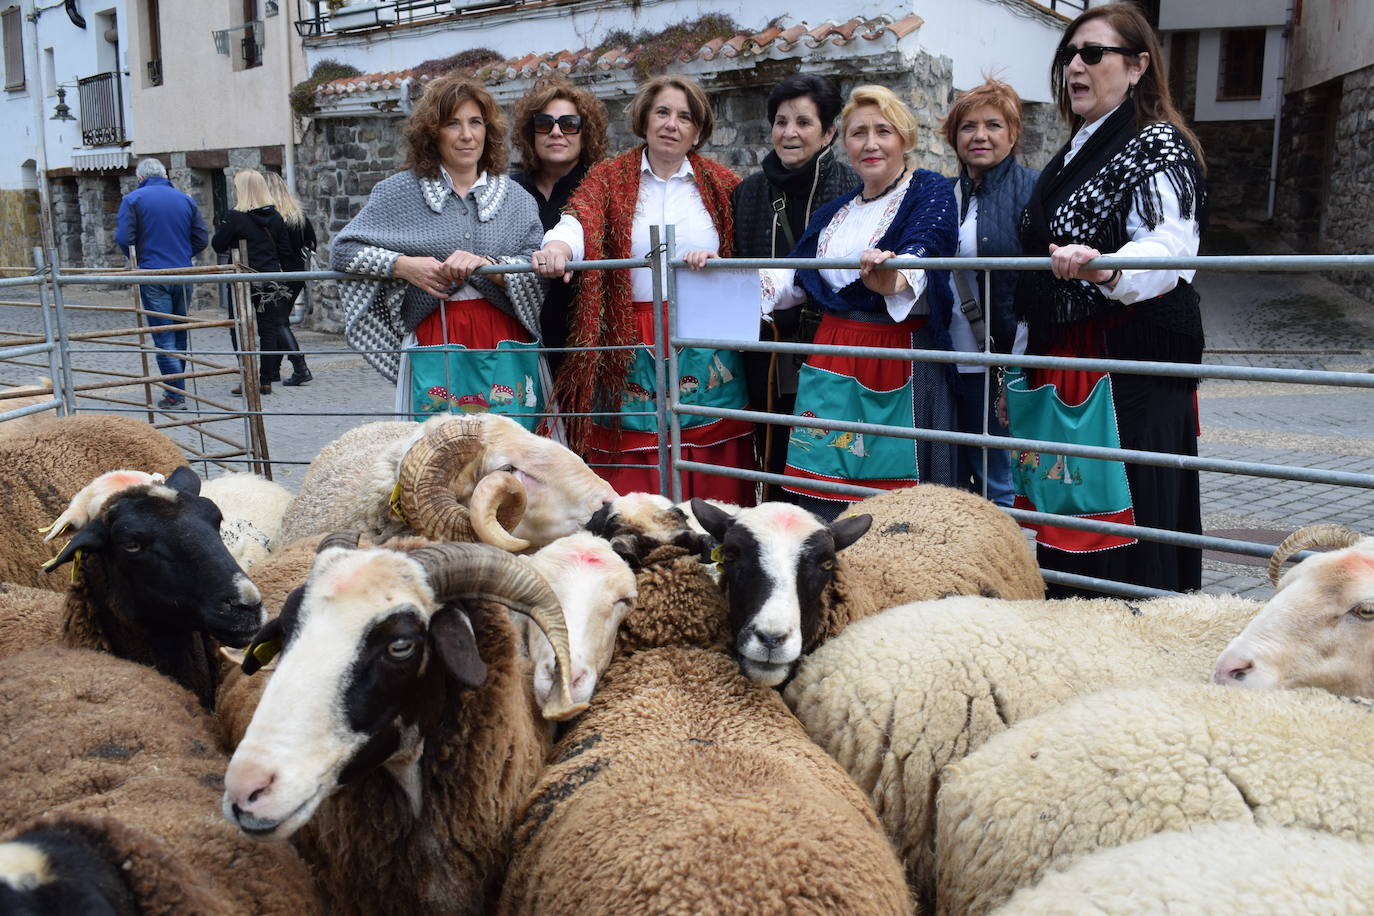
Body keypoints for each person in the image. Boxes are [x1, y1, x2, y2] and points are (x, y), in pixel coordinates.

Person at [1010, 1, 1207, 595]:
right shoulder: (1075, 149)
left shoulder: (1157, 145)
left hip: (1128, 364)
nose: (1076, 65)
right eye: (1069, 53)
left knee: (1132, 514)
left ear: (1138, 65)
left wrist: (1104, 269)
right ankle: (1081, 629)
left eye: (1093, 53)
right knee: (1072, 507)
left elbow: (1170, 247)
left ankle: (1138, 641)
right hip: (1070, 362)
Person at [533, 74, 757, 504]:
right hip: (628, 335)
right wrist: (558, 245)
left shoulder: (724, 186)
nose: (672, 124)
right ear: (644, 119)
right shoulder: (609, 178)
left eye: (684, 117)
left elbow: (748, 250)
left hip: (704, 334)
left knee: (710, 447)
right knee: (634, 449)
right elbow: (579, 218)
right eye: (663, 112)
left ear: (698, 130)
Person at [759, 85, 959, 520]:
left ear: (904, 138)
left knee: (895, 501)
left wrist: (892, 273)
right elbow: (795, 275)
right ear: (842, 142)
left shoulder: (930, 190)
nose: (870, 143)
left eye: (883, 131)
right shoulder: (835, 212)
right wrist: (729, 277)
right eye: (858, 133)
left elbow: (924, 249)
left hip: (895, 357)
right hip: (832, 356)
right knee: (822, 482)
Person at [332, 75, 546, 426]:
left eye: (475, 123)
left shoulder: (517, 199)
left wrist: (491, 266)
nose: (466, 135)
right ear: (432, 133)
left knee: (509, 450)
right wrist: (403, 266)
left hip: (505, 340)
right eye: (453, 123)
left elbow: (534, 264)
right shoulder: (398, 193)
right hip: (436, 339)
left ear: (488, 131)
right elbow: (344, 250)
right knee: (437, 451)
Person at [732, 72, 856, 499]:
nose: (789, 132)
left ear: (828, 132)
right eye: (781, 121)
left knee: (829, 454)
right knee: (773, 452)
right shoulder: (747, 193)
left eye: (803, 122)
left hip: (830, 348)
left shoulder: (851, 188)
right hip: (764, 352)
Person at [939, 78, 1039, 508]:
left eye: (993, 125)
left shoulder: (1035, 190)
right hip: (946, 356)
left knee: (999, 475)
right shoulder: (942, 194)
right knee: (955, 471)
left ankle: (1006, 568)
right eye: (968, 126)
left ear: (1013, 134)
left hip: (1003, 356)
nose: (980, 136)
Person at [510, 78, 609, 374]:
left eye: (569, 124)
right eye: (544, 123)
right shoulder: (508, 190)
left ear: (585, 132)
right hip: (520, 338)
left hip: (587, 339)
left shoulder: (602, 187)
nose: (556, 132)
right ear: (531, 132)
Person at [115, 158, 209, 410]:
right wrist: (183, 253)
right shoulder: (185, 199)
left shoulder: (133, 200)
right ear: (165, 175)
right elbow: (201, 238)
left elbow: (124, 238)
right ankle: (178, 388)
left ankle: (175, 394)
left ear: (141, 177)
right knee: (179, 332)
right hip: (182, 272)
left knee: (162, 334)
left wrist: (140, 257)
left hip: (153, 272)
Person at [211, 170, 296, 395]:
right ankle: (265, 380)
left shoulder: (235, 217)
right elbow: (285, 250)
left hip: (243, 280)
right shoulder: (276, 217)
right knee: (267, 330)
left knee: (239, 328)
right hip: (269, 280)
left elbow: (218, 245)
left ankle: (247, 377)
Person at [262, 170, 316, 386]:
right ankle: (274, 369)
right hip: (297, 273)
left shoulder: (272, 218)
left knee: (277, 321)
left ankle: (300, 366)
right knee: (279, 320)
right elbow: (311, 242)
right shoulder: (297, 214)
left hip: (280, 274)